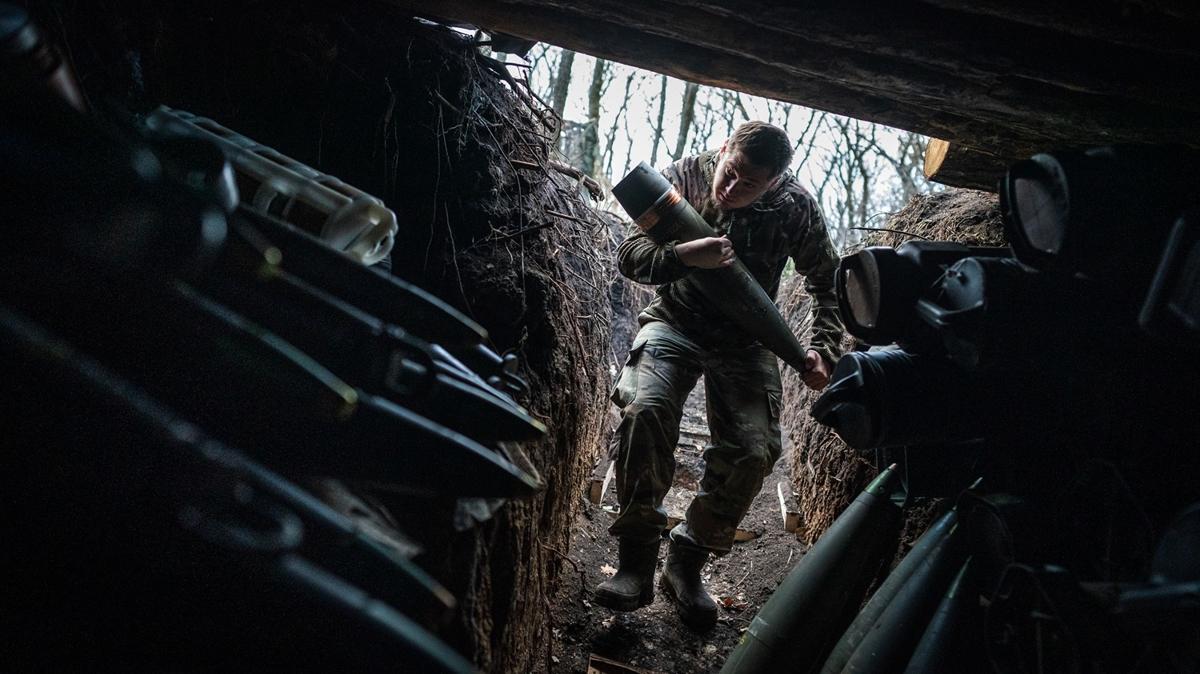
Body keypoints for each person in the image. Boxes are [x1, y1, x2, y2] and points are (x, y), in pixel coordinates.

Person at [595, 121, 844, 631]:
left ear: (776, 181)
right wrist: (685, 255)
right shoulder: (683, 178)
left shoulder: (796, 208)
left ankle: (687, 562)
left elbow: (828, 284)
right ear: (725, 147)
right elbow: (628, 255)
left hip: (746, 342)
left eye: (749, 184)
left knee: (754, 451)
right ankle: (635, 562)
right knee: (646, 410)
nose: (731, 189)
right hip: (674, 323)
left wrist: (823, 350)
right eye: (730, 172)